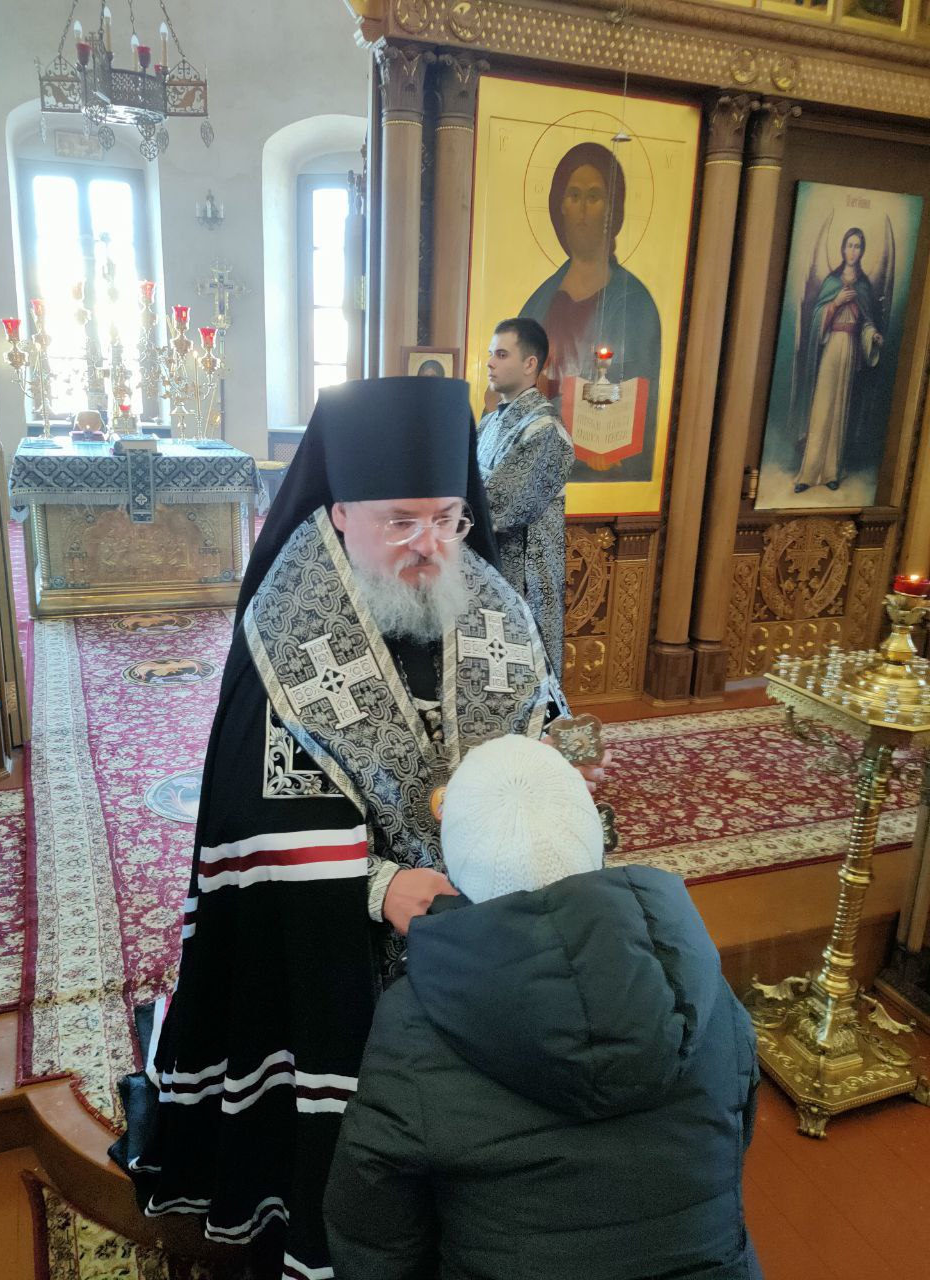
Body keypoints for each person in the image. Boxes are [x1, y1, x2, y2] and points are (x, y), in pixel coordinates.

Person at [111, 378, 605, 1280]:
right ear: (341, 513)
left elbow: (536, 730)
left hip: (484, 925)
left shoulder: (490, 601)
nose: (431, 546)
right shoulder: (286, 624)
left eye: (448, 518)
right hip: (343, 950)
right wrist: (377, 886)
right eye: (401, 522)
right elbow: (252, 817)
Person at [325, 734, 763, 1280]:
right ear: (595, 838)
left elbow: (373, 1228)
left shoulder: (413, 1024)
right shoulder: (702, 980)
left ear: (454, 868)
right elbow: (733, 1138)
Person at [520, 141, 661, 484]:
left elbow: (645, 398)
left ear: (611, 210)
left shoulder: (635, 302)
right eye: (574, 195)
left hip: (602, 473)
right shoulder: (539, 301)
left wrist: (610, 443)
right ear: (561, 206)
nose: (582, 208)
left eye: (594, 197)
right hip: (539, 468)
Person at [478, 318, 574, 673]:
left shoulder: (544, 430)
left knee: (524, 675)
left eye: (501, 354)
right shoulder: (490, 422)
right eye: (491, 354)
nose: (490, 362)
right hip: (487, 569)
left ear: (530, 363)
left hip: (523, 579)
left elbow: (498, 506)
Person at [792, 226, 884, 494]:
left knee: (840, 409)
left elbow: (865, 322)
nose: (852, 251)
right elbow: (817, 318)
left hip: (851, 348)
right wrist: (836, 302)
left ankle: (832, 471)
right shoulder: (832, 281)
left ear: (862, 251)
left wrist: (873, 334)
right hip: (832, 346)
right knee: (822, 407)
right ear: (842, 248)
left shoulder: (864, 286)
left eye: (857, 246)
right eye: (849, 245)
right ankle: (809, 473)